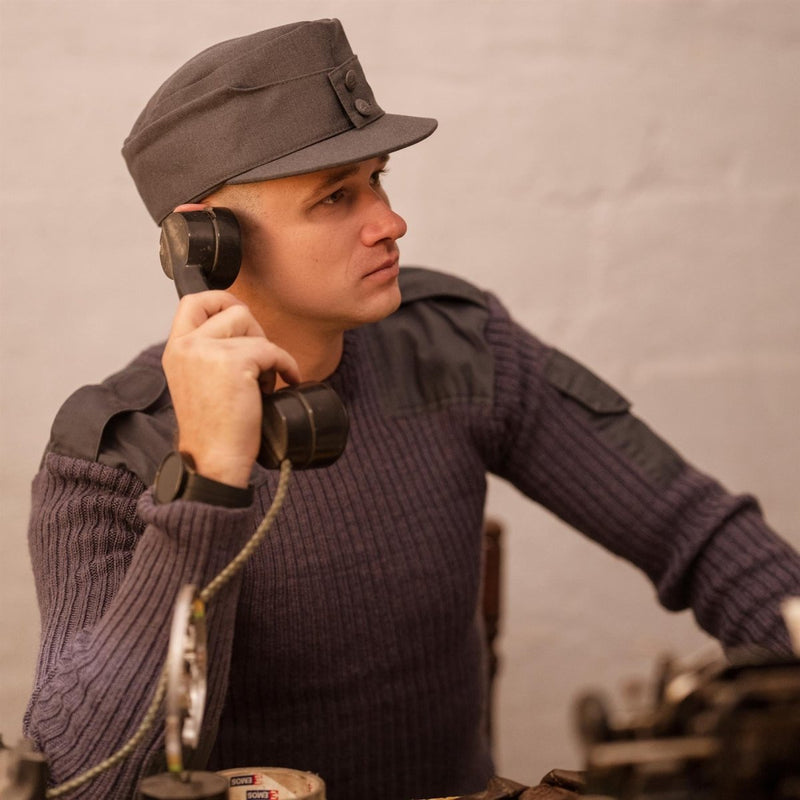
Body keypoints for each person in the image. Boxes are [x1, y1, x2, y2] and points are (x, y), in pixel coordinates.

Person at [23, 17, 800, 800]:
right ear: (205, 240)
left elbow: (697, 533)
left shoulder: (459, 345)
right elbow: (87, 780)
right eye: (335, 197)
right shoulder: (105, 455)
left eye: (377, 179)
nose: (389, 223)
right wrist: (210, 478)